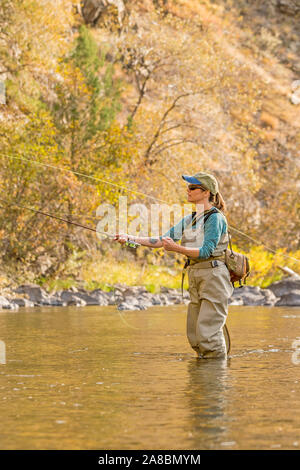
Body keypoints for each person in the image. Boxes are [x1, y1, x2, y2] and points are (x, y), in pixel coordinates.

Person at [114, 172, 233, 359]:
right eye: (188, 187)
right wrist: (128, 239)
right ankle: (201, 380)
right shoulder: (190, 219)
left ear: (206, 192)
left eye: (193, 187)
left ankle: (216, 379)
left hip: (214, 276)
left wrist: (176, 248)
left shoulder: (216, 219)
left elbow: (206, 251)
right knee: (195, 335)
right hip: (196, 276)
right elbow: (160, 241)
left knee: (207, 335)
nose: (188, 190)